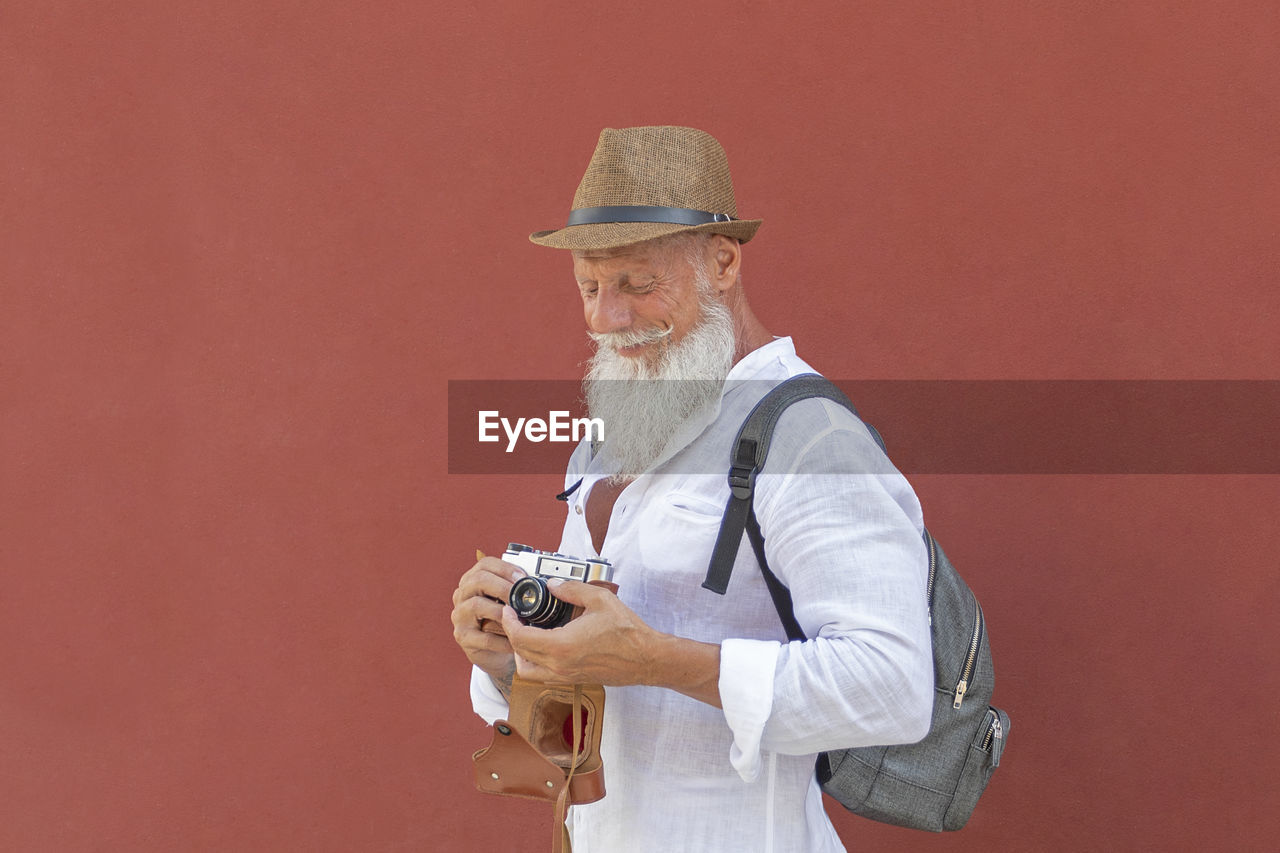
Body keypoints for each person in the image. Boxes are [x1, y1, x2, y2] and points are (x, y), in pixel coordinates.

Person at [450, 126, 934, 852]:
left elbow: (893, 686)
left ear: (723, 262)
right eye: (589, 286)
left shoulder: (810, 436)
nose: (605, 319)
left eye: (638, 284)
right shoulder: (618, 428)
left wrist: (656, 659)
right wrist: (511, 657)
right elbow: (585, 695)